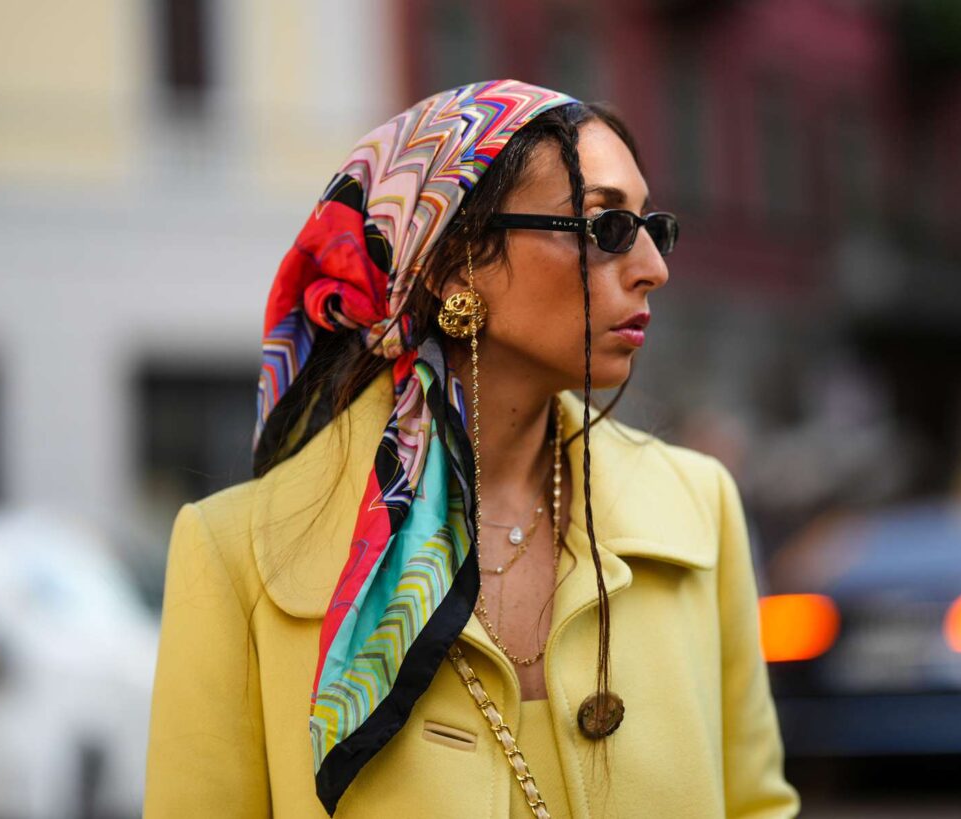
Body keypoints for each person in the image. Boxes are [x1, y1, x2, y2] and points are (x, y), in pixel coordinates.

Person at [144, 79, 800, 819]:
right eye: (607, 227)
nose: (654, 264)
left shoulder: (696, 506)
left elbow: (755, 804)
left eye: (652, 226)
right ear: (456, 257)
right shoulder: (236, 555)